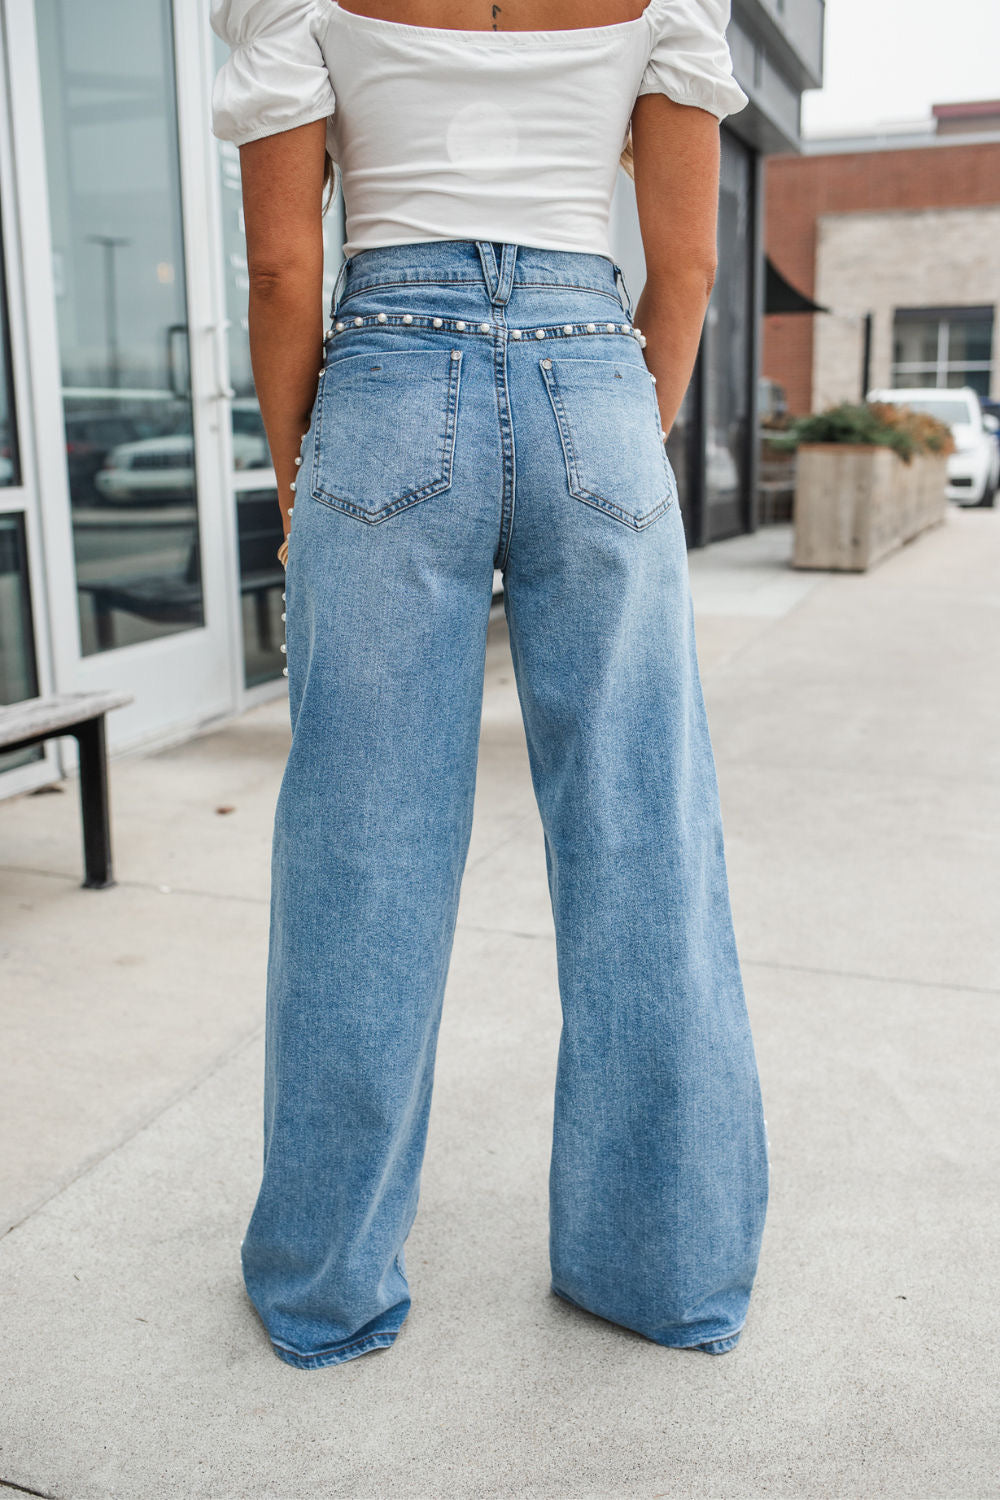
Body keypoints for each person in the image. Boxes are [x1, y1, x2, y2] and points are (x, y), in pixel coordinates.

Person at [210, 0, 770, 1371]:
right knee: (643, 838)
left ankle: (326, 1290)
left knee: (362, 853)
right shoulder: (669, 6)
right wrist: (622, 438)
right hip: (598, 382)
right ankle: (665, 1272)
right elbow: (687, 265)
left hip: (388, 376)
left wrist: (302, 488)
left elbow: (285, 271)